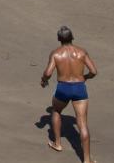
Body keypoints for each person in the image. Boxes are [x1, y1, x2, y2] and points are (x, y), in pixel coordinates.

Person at [40, 26, 97, 163]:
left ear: (58, 39)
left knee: (56, 111)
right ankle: (87, 160)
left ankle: (57, 144)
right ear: (72, 37)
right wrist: (85, 77)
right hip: (79, 88)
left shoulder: (56, 53)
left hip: (63, 88)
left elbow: (48, 73)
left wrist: (44, 80)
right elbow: (93, 71)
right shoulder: (81, 52)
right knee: (82, 124)